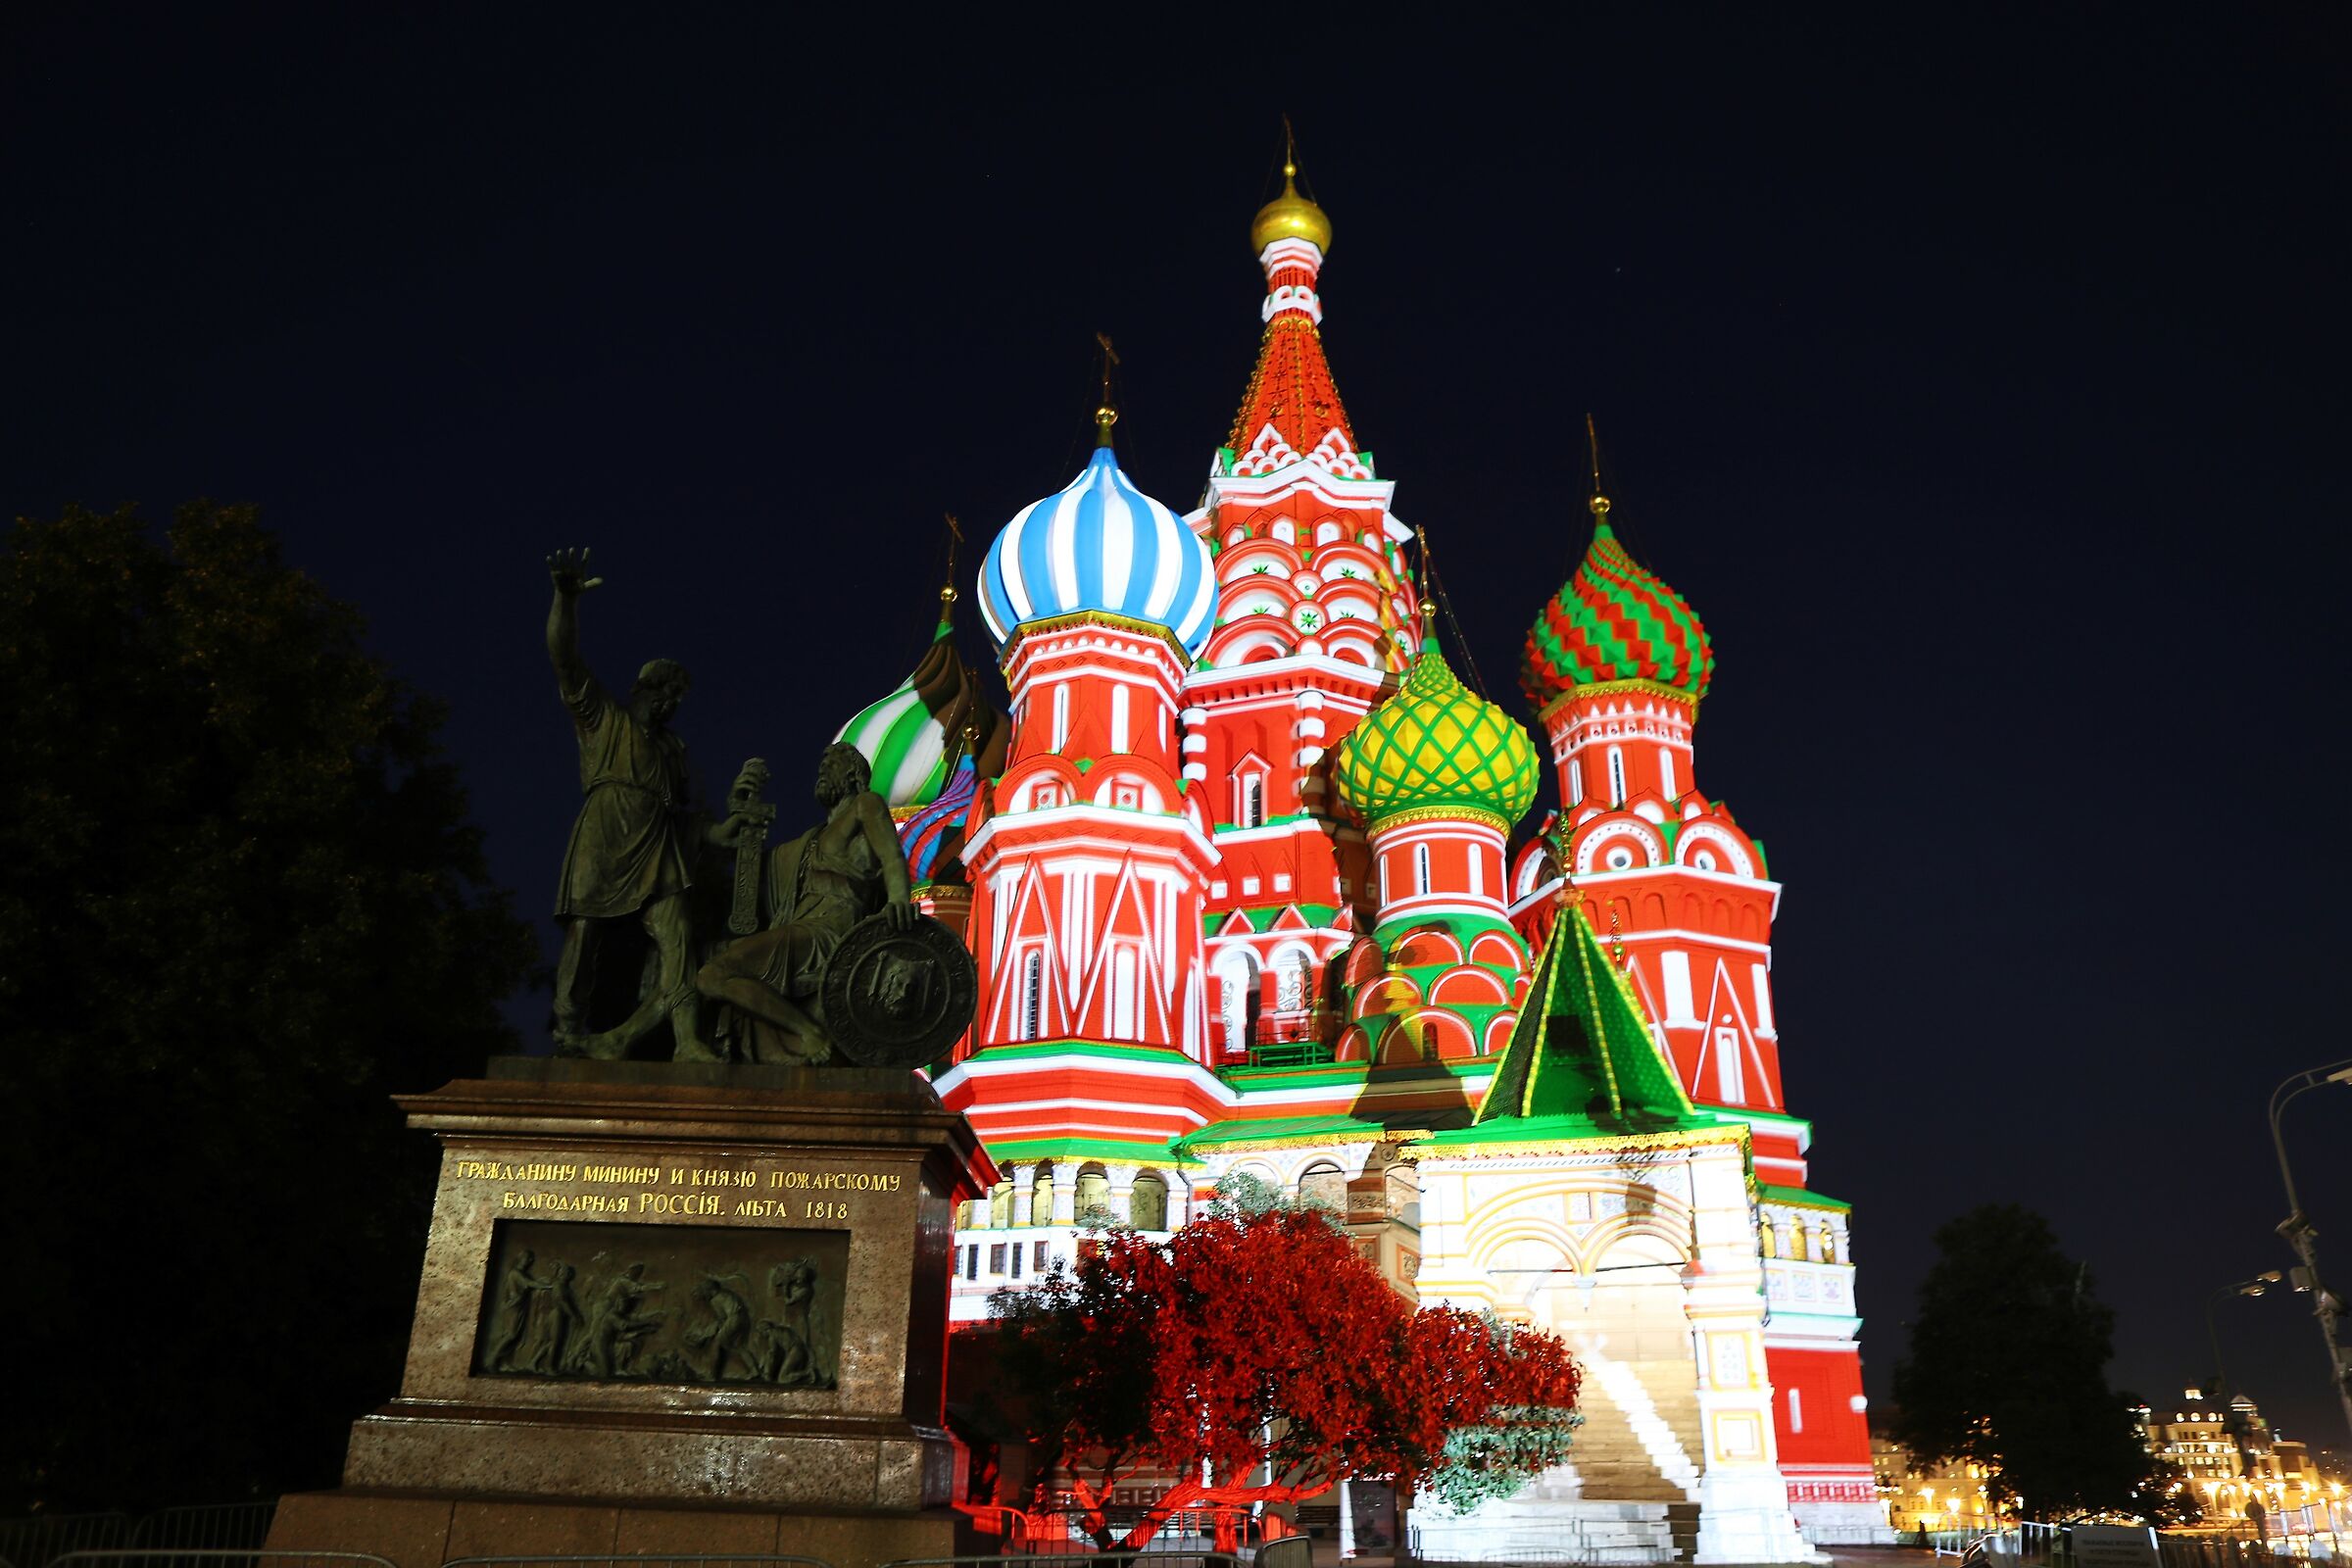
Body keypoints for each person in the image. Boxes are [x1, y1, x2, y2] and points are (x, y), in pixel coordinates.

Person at [545, 547, 749, 1061]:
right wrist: (564, 599)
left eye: (677, 696)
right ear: (643, 688)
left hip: (657, 845)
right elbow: (564, 660)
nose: (671, 702)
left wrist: (724, 832)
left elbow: (687, 819)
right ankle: (568, 1027)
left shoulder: (672, 749)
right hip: (606, 830)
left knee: (676, 936)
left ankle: (686, 1041)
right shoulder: (603, 720)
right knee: (585, 930)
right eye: (665, 692)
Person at [696, 742, 914, 1062]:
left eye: (833, 762)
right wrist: (744, 815)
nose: (823, 768)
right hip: (800, 928)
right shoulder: (811, 839)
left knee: (713, 974)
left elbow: (892, 857)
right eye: (822, 762)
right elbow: (755, 874)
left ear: (853, 775)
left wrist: (898, 899)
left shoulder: (865, 805)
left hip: (830, 932)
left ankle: (808, 1032)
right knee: (708, 961)